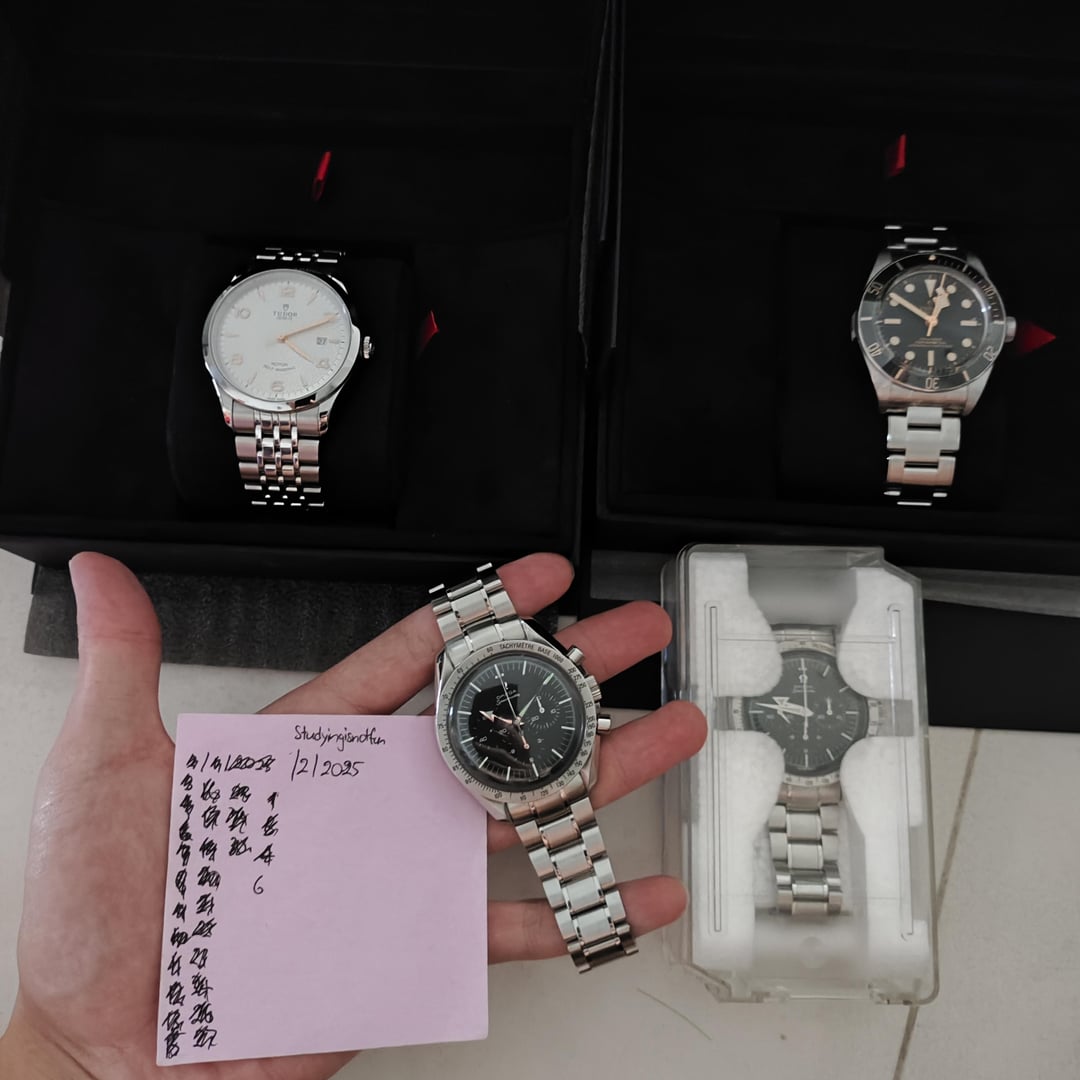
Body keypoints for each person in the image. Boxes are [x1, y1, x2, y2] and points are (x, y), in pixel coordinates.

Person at [0, 551, 706, 1080]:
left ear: (583, 698)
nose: (516, 722)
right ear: (453, 746)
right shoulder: (462, 738)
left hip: (557, 771)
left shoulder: (557, 712)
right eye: (502, 720)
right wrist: (66, 1054)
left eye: (528, 713)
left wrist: (68, 1056)